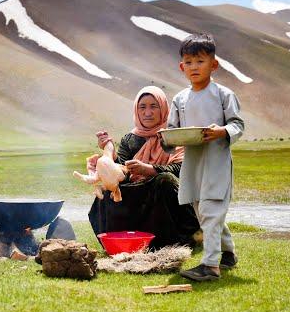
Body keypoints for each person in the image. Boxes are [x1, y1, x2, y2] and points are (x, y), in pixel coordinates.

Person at [167, 33, 244, 282]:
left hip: (217, 162)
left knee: (211, 210)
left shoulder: (224, 94)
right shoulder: (179, 99)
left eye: (200, 61)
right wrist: (166, 140)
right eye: (188, 62)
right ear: (182, 67)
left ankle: (210, 266)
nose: (194, 67)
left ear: (214, 64)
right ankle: (228, 254)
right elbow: (171, 131)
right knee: (203, 211)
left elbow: (237, 124)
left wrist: (222, 131)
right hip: (193, 163)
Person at [87, 85, 200, 249]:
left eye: (154, 106)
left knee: (165, 180)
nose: (148, 112)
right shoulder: (130, 139)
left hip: (163, 193)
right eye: (142, 107)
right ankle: (118, 240)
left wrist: (149, 169)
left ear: (163, 108)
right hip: (137, 194)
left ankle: (175, 239)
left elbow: (183, 169)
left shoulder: (174, 135)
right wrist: (109, 159)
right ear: (136, 111)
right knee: (107, 190)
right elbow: (123, 173)